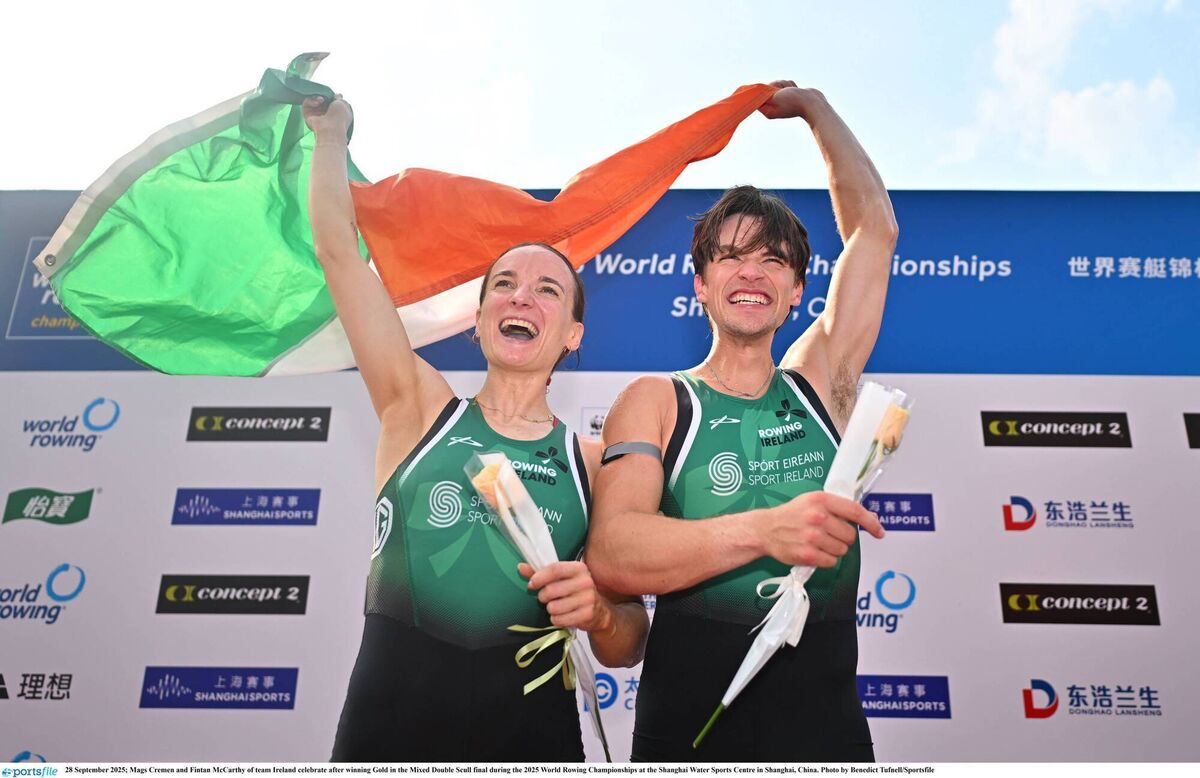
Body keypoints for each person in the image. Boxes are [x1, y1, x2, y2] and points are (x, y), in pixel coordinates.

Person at [303, 95, 648, 762]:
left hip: (531, 741)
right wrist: (330, 135)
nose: (521, 296)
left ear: (573, 335)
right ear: (483, 316)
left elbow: (628, 642)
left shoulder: (596, 462)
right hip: (386, 733)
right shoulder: (418, 406)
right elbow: (340, 257)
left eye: (548, 290)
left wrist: (600, 613)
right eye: (505, 285)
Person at [588, 82, 896, 762]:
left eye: (773, 261)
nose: (751, 273)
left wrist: (818, 109)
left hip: (827, 734)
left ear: (795, 292)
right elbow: (613, 551)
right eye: (730, 256)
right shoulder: (658, 400)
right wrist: (767, 529)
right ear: (700, 284)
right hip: (688, 735)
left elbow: (874, 231)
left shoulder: (821, 383)